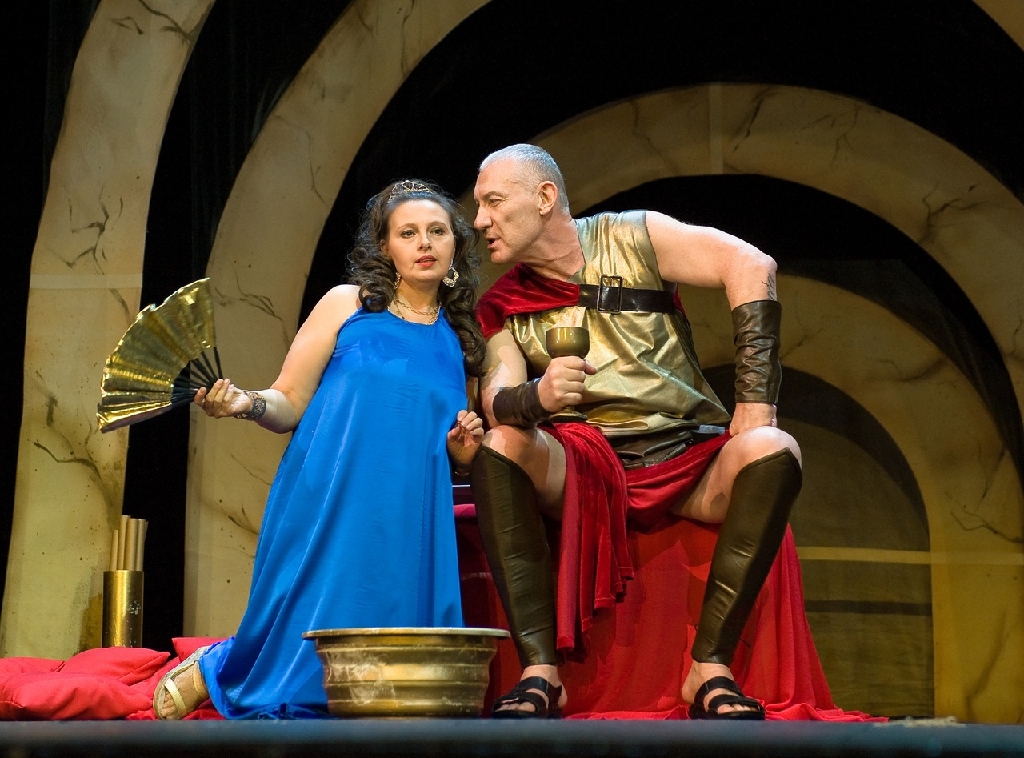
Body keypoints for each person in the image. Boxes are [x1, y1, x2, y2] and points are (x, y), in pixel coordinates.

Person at [469, 144, 803, 720]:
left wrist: (755, 405)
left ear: (545, 198)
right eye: (479, 207)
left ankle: (709, 669)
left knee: (774, 448)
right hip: (585, 471)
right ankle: (540, 674)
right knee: (501, 446)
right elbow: (497, 403)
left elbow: (751, 265)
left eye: (493, 202)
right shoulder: (502, 305)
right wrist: (537, 397)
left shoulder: (633, 235)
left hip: (687, 456)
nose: (479, 221)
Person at [152, 179, 486, 719]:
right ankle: (222, 667)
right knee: (305, 606)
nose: (424, 243)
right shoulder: (347, 305)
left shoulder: (462, 340)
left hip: (408, 509)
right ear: (386, 248)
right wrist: (244, 403)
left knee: (389, 640)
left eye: (437, 231)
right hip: (329, 487)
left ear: (455, 245)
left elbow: (449, 445)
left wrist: (463, 452)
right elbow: (289, 401)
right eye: (407, 233)